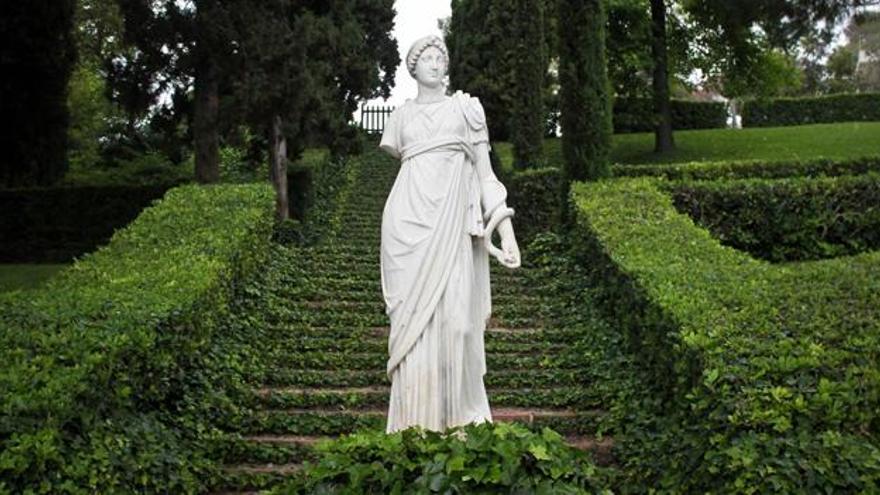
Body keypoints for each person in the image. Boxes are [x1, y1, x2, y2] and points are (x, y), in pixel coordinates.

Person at [379, 35, 521, 434]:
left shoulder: (467, 109)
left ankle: (461, 427)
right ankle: (413, 429)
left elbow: (486, 176)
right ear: (413, 68)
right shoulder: (401, 118)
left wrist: (506, 231)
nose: (435, 63)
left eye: (440, 57)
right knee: (413, 331)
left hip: (455, 225)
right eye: (425, 57)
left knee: (459, 325)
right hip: (406, 225)